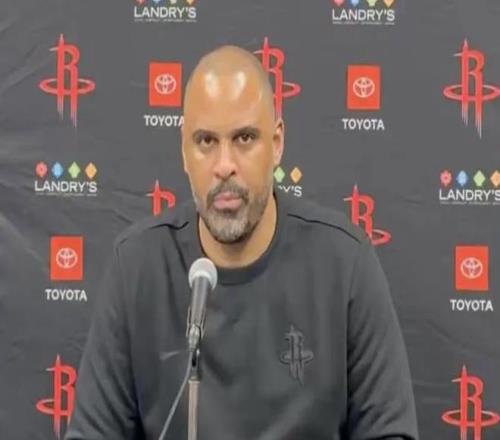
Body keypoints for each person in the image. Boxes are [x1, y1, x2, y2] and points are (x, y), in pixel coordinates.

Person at [65, 46, 419, 440]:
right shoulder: (137, 267)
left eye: (244, 138)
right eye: (206, 141)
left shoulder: (344, 263)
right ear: (184, 151)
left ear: (277, 143)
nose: (224, 165)